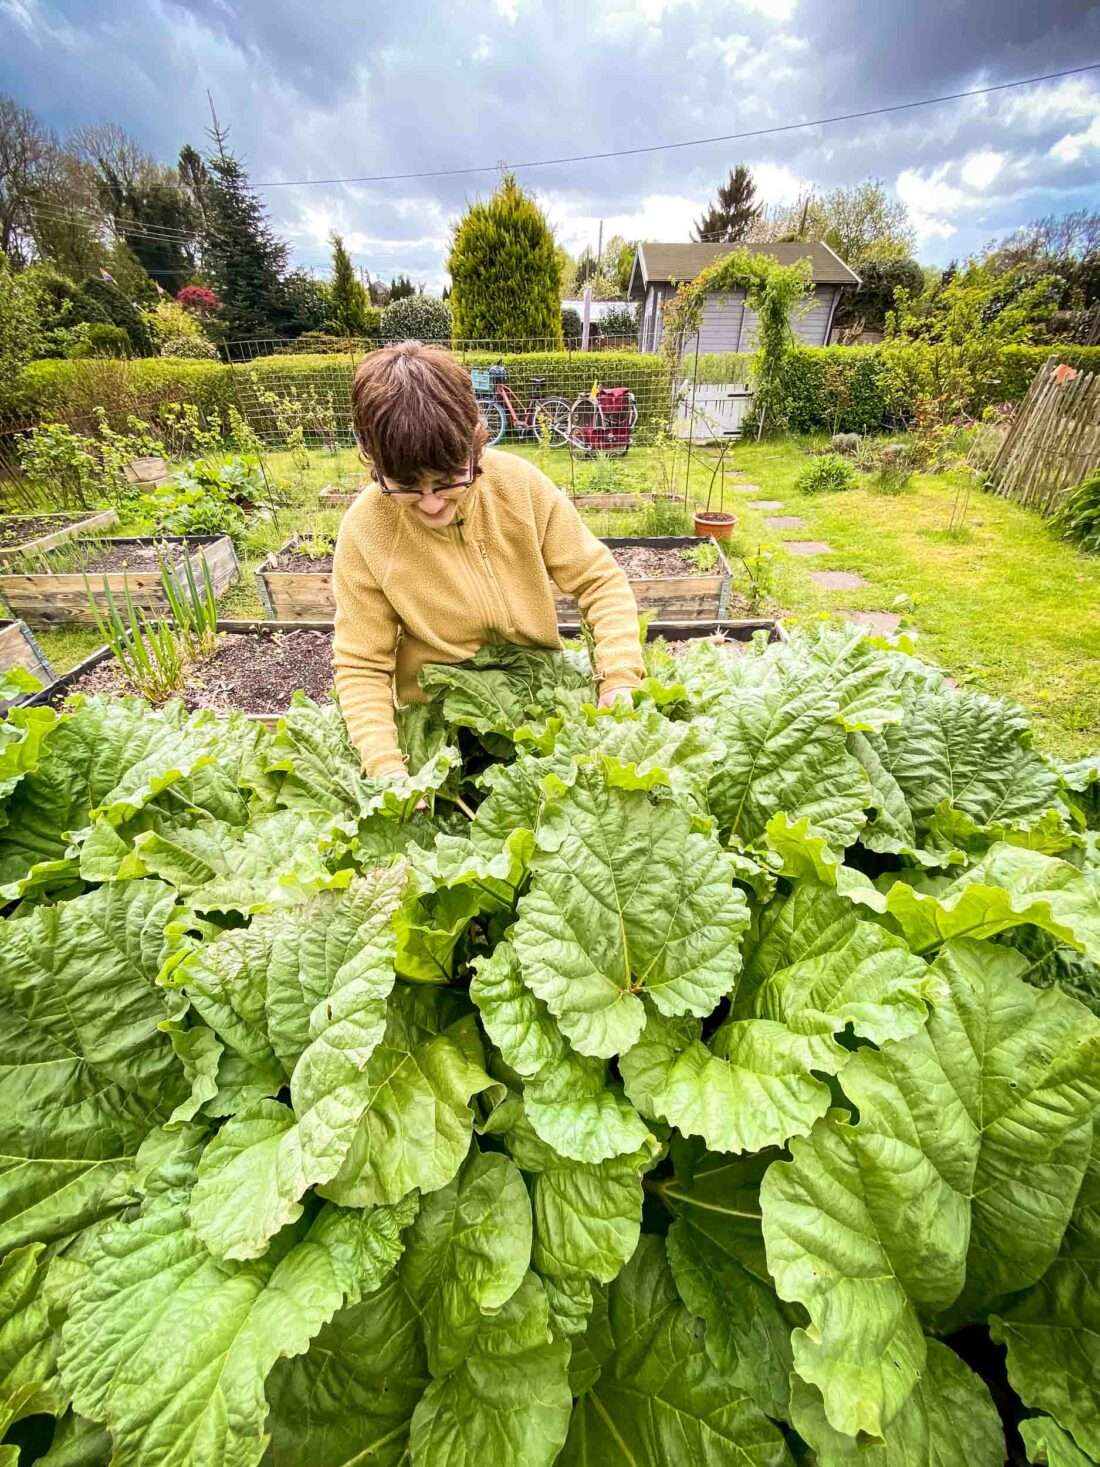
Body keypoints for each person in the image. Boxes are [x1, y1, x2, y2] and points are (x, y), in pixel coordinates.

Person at [332, 340, 646, 777]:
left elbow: (599, 581)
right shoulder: (366, 529)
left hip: (539, 700)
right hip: (442, 727)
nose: (430, 504)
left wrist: (619, 677)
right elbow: (361, 663)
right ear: (375, 462)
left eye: (446, 481)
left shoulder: (519, 486)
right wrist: (386, 764)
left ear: (474, 446)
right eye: (405, 485)